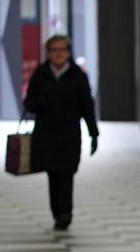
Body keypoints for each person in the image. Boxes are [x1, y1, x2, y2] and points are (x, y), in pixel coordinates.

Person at [23, 34, 99, 231]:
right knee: (52, 174)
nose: (59, 53)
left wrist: (94, 134)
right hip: (46, 134)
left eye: (62, 49)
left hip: (69, 134)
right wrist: (39, 103)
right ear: (48, 52)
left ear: (68, 52)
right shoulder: (40, 74)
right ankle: (57, 212)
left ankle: (66, 213)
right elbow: (28, 102)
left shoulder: (78, 75)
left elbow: (87, 106)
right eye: (54, 50)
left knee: (67, 173)